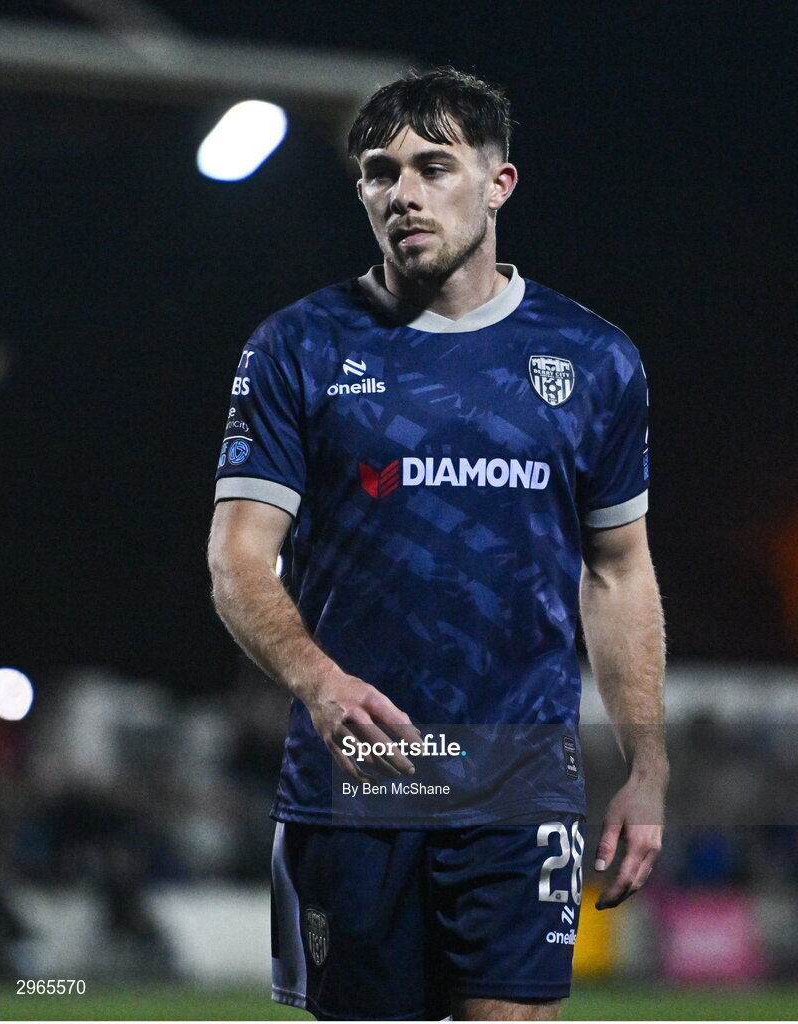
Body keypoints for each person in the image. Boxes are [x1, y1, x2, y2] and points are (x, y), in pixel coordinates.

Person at [208, 67, 668, 1022]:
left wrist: (648, 760)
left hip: (521, 778)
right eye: (380, 172)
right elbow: (238, 558)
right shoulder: (299, 346)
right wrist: (318, 682)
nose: (403, 193)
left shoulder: (590, 360)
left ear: (498, 183)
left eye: (433, 166)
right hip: (356, 786)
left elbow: (619, 572)